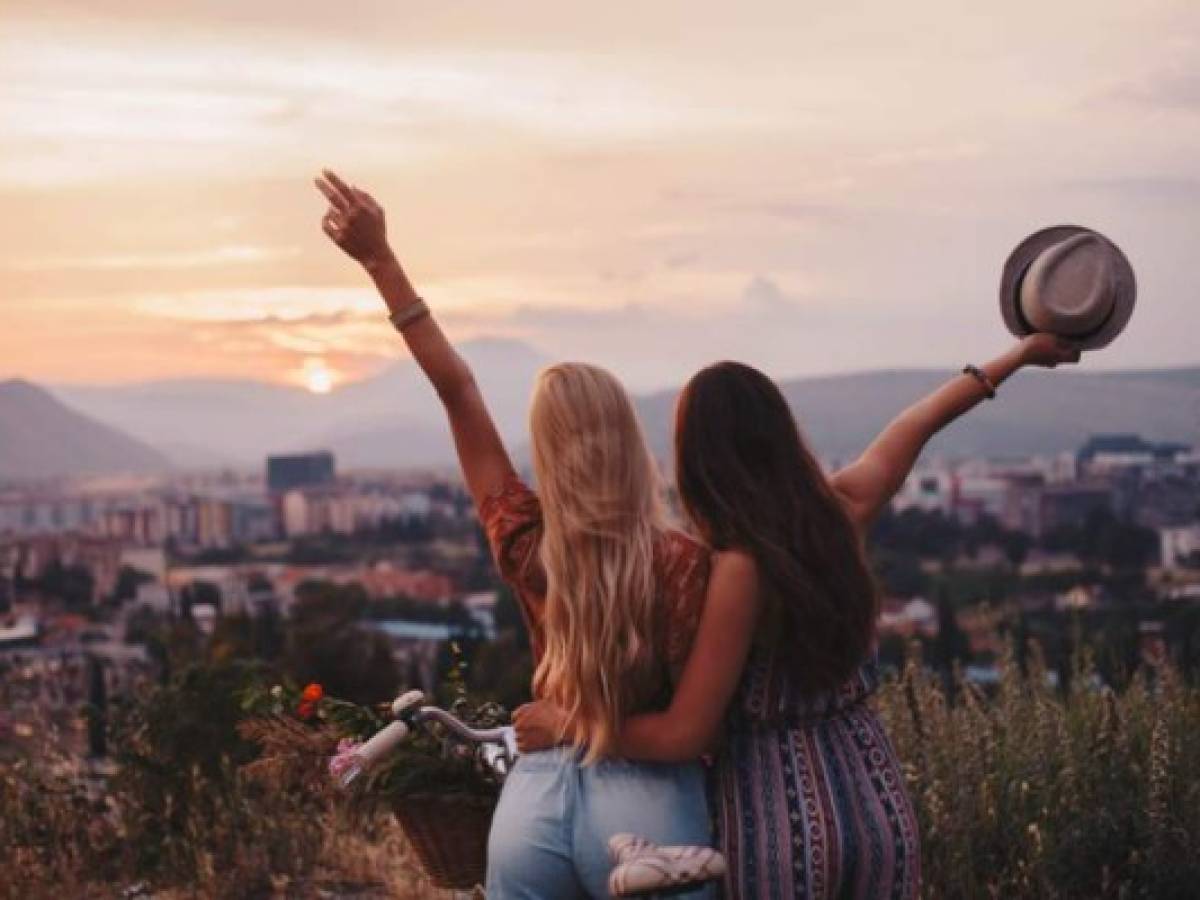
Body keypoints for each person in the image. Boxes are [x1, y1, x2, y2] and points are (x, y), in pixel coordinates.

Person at [516, 335, 1081, 898]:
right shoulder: (841, 510)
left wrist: (567, 724)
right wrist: (1022, 354)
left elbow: (684, 734)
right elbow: (921, 421)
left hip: (778, 821)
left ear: (698, 460)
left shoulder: (737, 569)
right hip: (876, 802)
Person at [313, 170, 716, 899]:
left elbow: (457, 390)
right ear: (630, 441)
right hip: (652, 805)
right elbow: (704, 722)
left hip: (536, 796)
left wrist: (381, 262)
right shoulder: (687, 564)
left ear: (548, 451)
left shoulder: (531, 546)